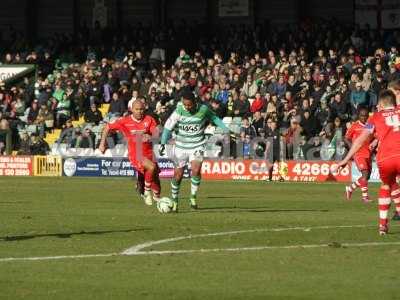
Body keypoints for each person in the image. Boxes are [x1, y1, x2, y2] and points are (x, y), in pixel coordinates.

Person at [336, 90, 400, 235]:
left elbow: (359, 140)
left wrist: (345, 160)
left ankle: (382, 226)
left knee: (386, 185)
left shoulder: (375, 118)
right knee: (393, 184)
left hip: (385, 158)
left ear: (382, 103)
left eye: (379, 103)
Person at [159, 88, 232, 212]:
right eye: (185, 104)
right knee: (178, 175)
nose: (187, 107)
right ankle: (175, 200)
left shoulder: (203, 109)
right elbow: (167, 127)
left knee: (196, 169)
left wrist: (225, 128)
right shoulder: (178, 111)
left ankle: (193, 197)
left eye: (189, 104)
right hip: (181, 147)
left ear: (194, 102)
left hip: (197, 145)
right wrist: (162, 143)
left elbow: (214, 118)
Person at [98, 99, 161, 206]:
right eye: (137, 109)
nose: (139, 111)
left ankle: (153, 194)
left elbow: (156, 134)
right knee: (151, 167)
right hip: (136, 154)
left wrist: (151, 137)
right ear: (131, 109)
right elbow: (107, 127)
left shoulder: (149, 119)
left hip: (149, 153)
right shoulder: (124, 121)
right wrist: (102, 143)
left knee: (156, 183)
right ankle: (146, 192)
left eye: (141, 109)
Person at [344, 108, 374, 202]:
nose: (364, 118)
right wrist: (353, 147)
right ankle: (365, 197)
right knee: (364, 174)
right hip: (358, 153)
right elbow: (346, 138)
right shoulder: (355, 126)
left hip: (368, 153)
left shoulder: (370, 126)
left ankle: (350, 188)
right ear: (359, 116)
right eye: (362, 116)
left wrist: (373, 143)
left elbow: (374, 137)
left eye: (366, 116)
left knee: (367, 177)